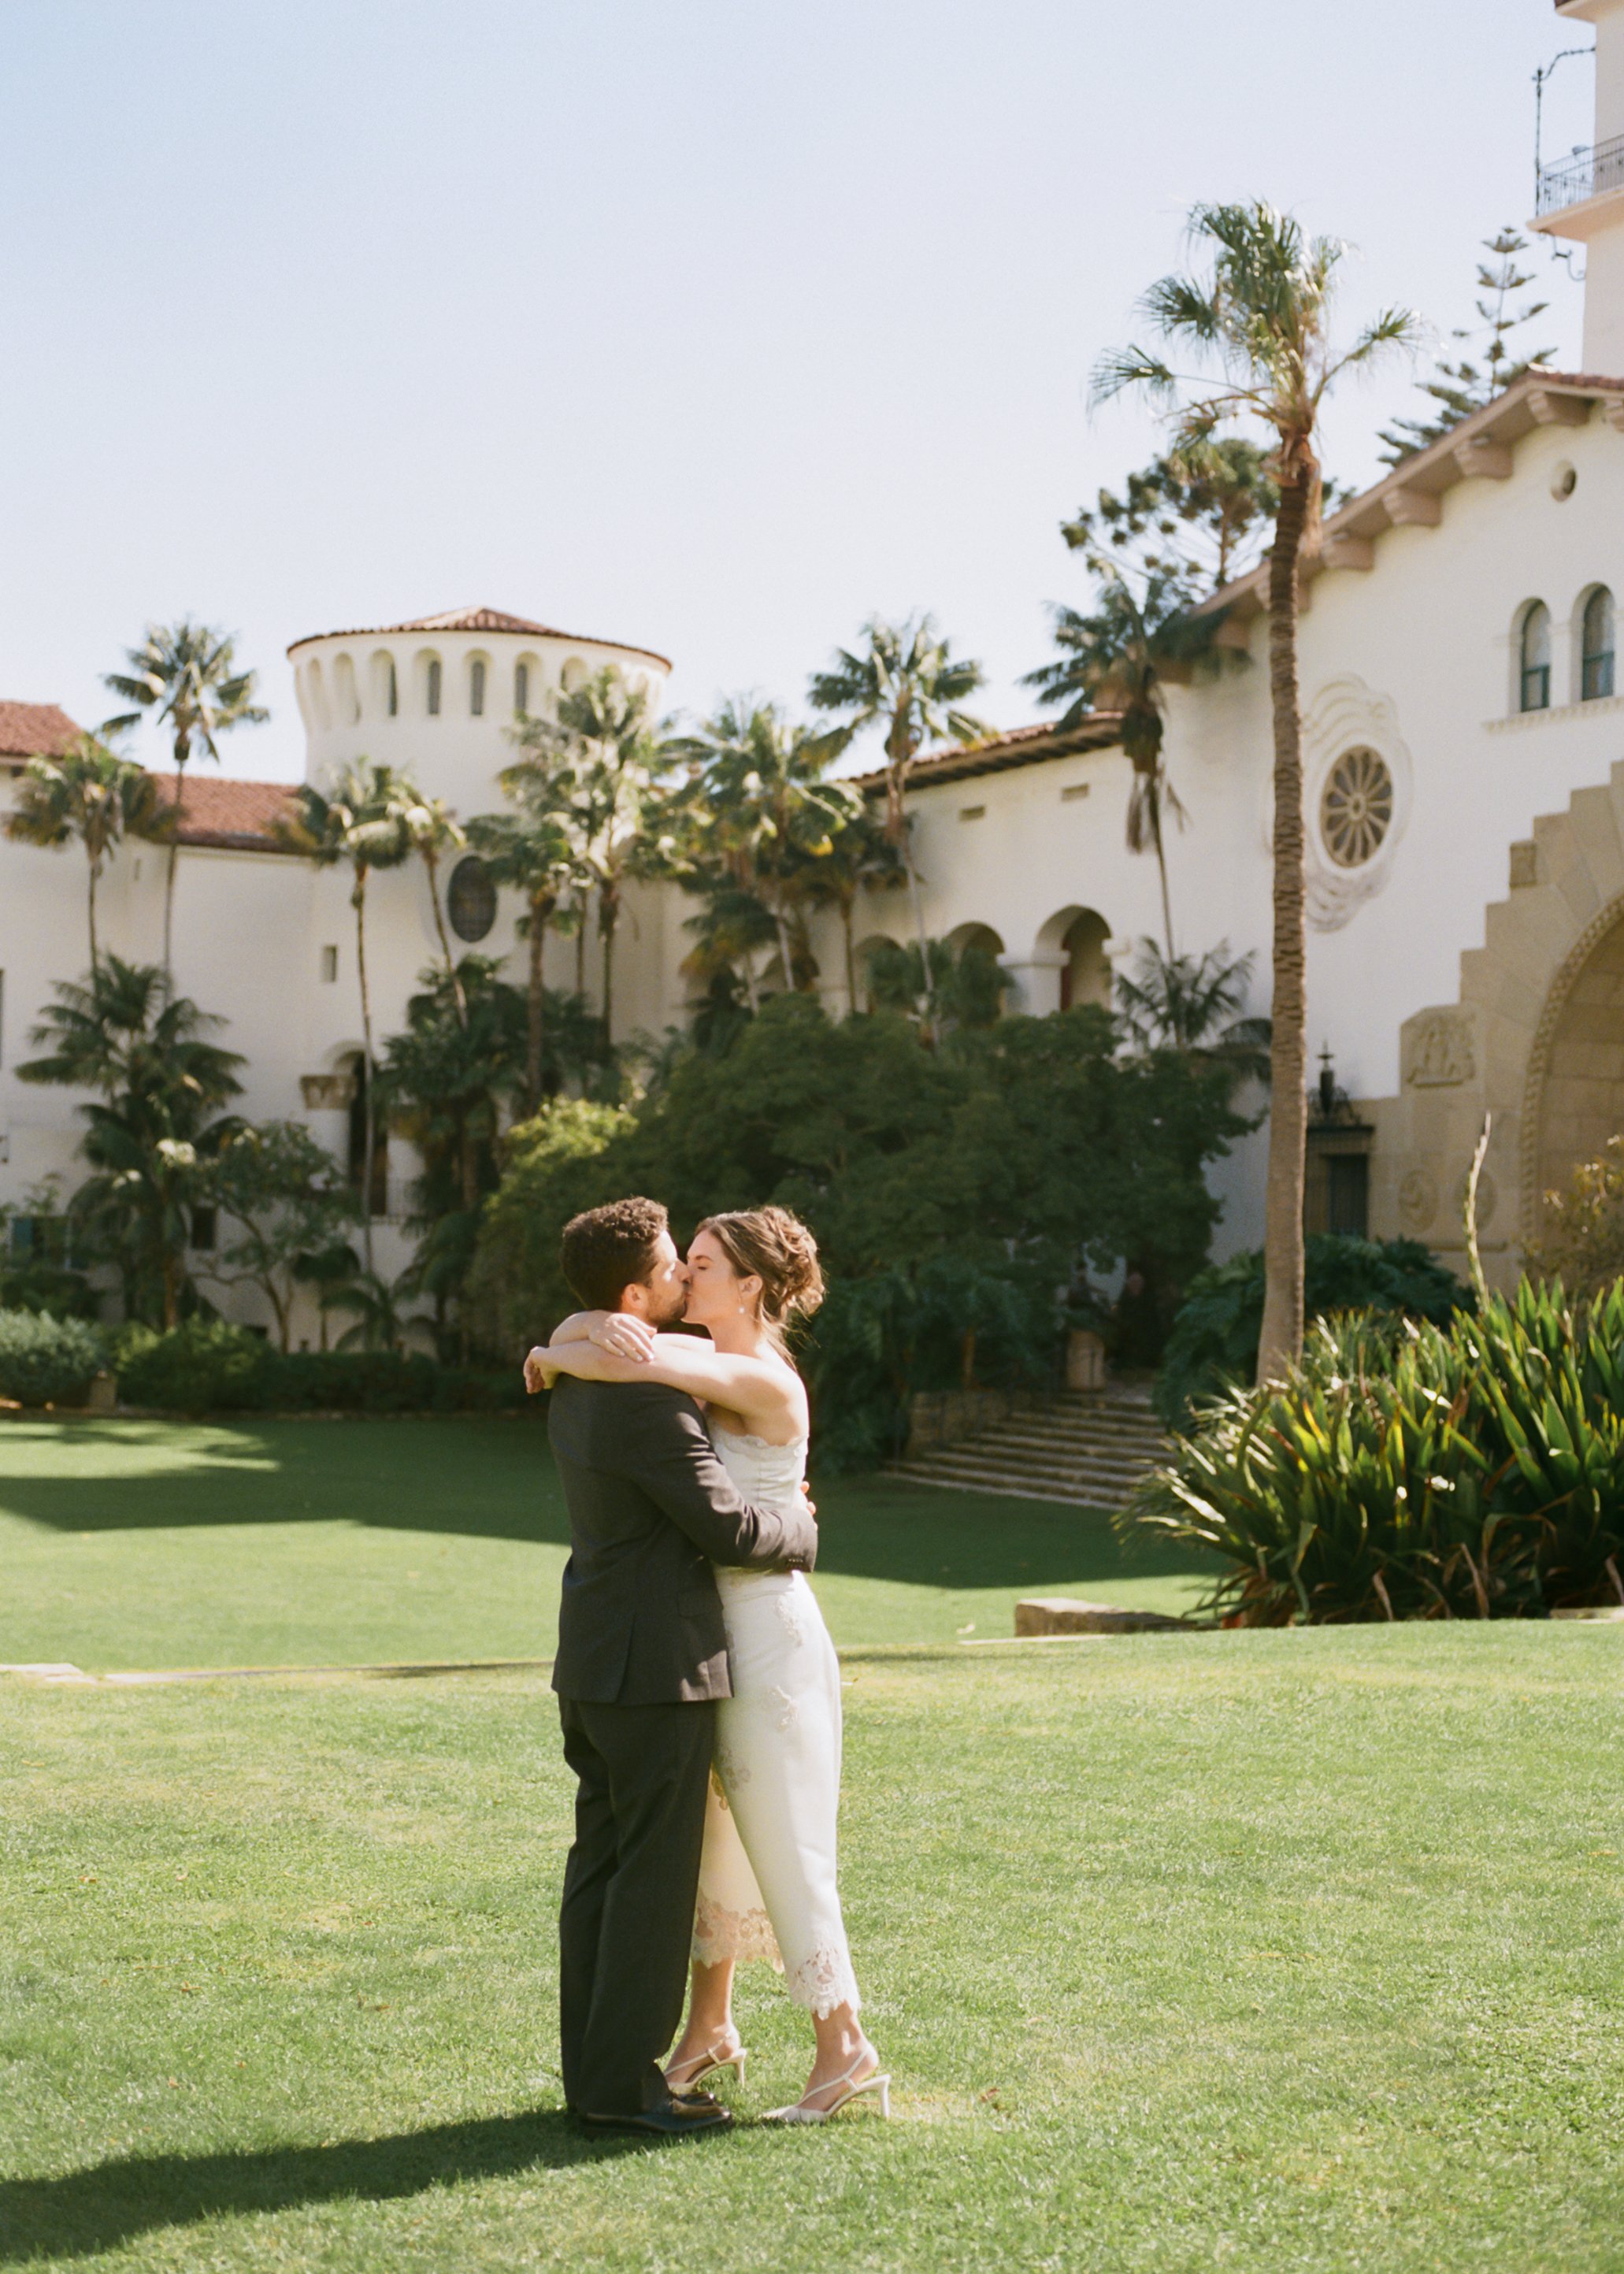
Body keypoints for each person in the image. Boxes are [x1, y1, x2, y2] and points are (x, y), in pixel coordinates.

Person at [529, 1204, 888, 2125]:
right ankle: (709, 2029)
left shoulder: (749, 1375)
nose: (687, 1276)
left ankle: (842, 2047)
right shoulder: (682, 1374)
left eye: (702, 1262)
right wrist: (567, 1339)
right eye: (679, 1263)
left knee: (784, 1843)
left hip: (762, 1633)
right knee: (712, 1856)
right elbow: (627, 1352)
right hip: (697, 1642)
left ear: (749, 1285)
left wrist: (559, 1347)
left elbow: (635, 1359)